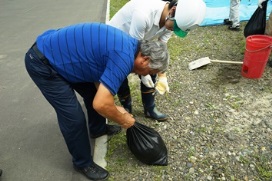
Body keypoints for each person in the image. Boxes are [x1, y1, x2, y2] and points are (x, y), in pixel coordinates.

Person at [25, 22, 169, 180]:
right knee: (73, 118)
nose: (144, 75)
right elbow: (101, 104)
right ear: (145, 59)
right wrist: (124, 120)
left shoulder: (130, 45)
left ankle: (98, 129)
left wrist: (112, 106)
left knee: (94, 93)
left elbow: (99, 78)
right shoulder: (124, 58)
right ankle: (83, 163)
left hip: (61, 54)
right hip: (43, 63)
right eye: (150, 71)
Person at [108, 0, 207, 121]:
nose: (173, 31)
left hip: (138, 40)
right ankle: (127, 109)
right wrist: (144, 75)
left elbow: (160, 51)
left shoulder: (170, 22)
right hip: (116, 42)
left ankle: (150, 108)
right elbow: (134, 50)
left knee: (153, 65)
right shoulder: (143, 14)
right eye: (175, 27)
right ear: (172, 11)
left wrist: (162, 76)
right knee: (122, 74)